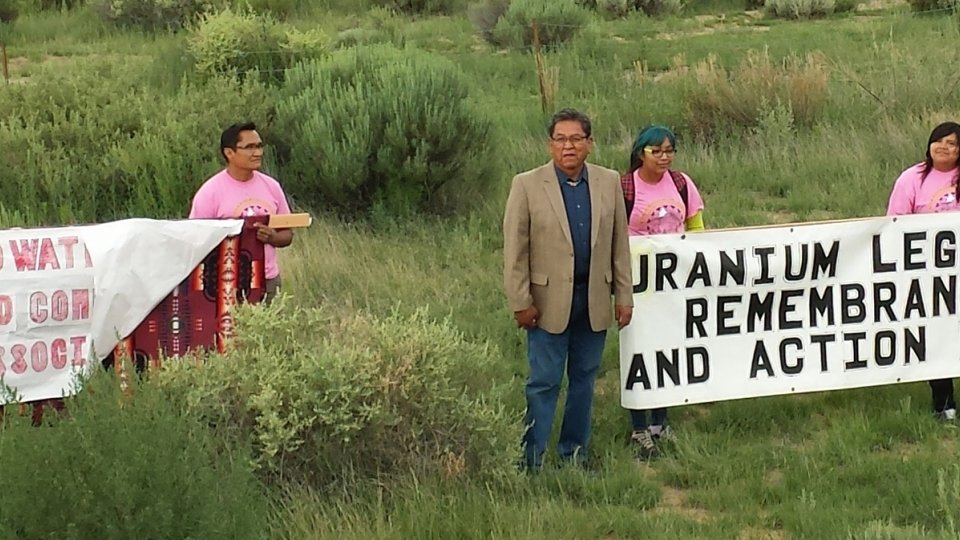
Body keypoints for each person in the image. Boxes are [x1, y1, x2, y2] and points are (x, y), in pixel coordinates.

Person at [503, 108, 634, 471]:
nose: (568, 146)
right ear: (550, 144)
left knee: (584, 382)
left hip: (593, 300)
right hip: (545, 305)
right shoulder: (527, 185)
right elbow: (516, 251)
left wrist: (624, 297)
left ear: (590, 144)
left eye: (576, 138)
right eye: (560, 139)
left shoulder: (608, 182)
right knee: (543, 383)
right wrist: (520, 302)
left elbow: (618, 245)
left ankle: (574, 455)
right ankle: (531, 461)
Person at [621, 124, 705, 460]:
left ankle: (661, 422)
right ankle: (638, 426)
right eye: (656, 151)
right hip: (640, 287)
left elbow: (696, 228)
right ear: (641, 153)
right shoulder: (626, 188)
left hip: (676, 284)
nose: (664, 157)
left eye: (669, 150)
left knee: (670, 350)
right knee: (640, 351)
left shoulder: (682, 184)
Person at [886, 121, 960, 421]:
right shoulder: (912, 178)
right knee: (936, 333)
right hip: (927, 274)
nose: (945, 147)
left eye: (953, 143)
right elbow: (895, 223)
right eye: (939, 141)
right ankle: (944, 405)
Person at [189, 122, 293, 303]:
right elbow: (194, 240)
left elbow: (287, 234)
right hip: (225, 283)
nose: (258, 152)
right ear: (229, 153)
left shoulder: (271, 187)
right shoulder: (210, 192)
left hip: (268, 281)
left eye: (260, 146)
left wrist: (272, 238)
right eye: (250, 147)